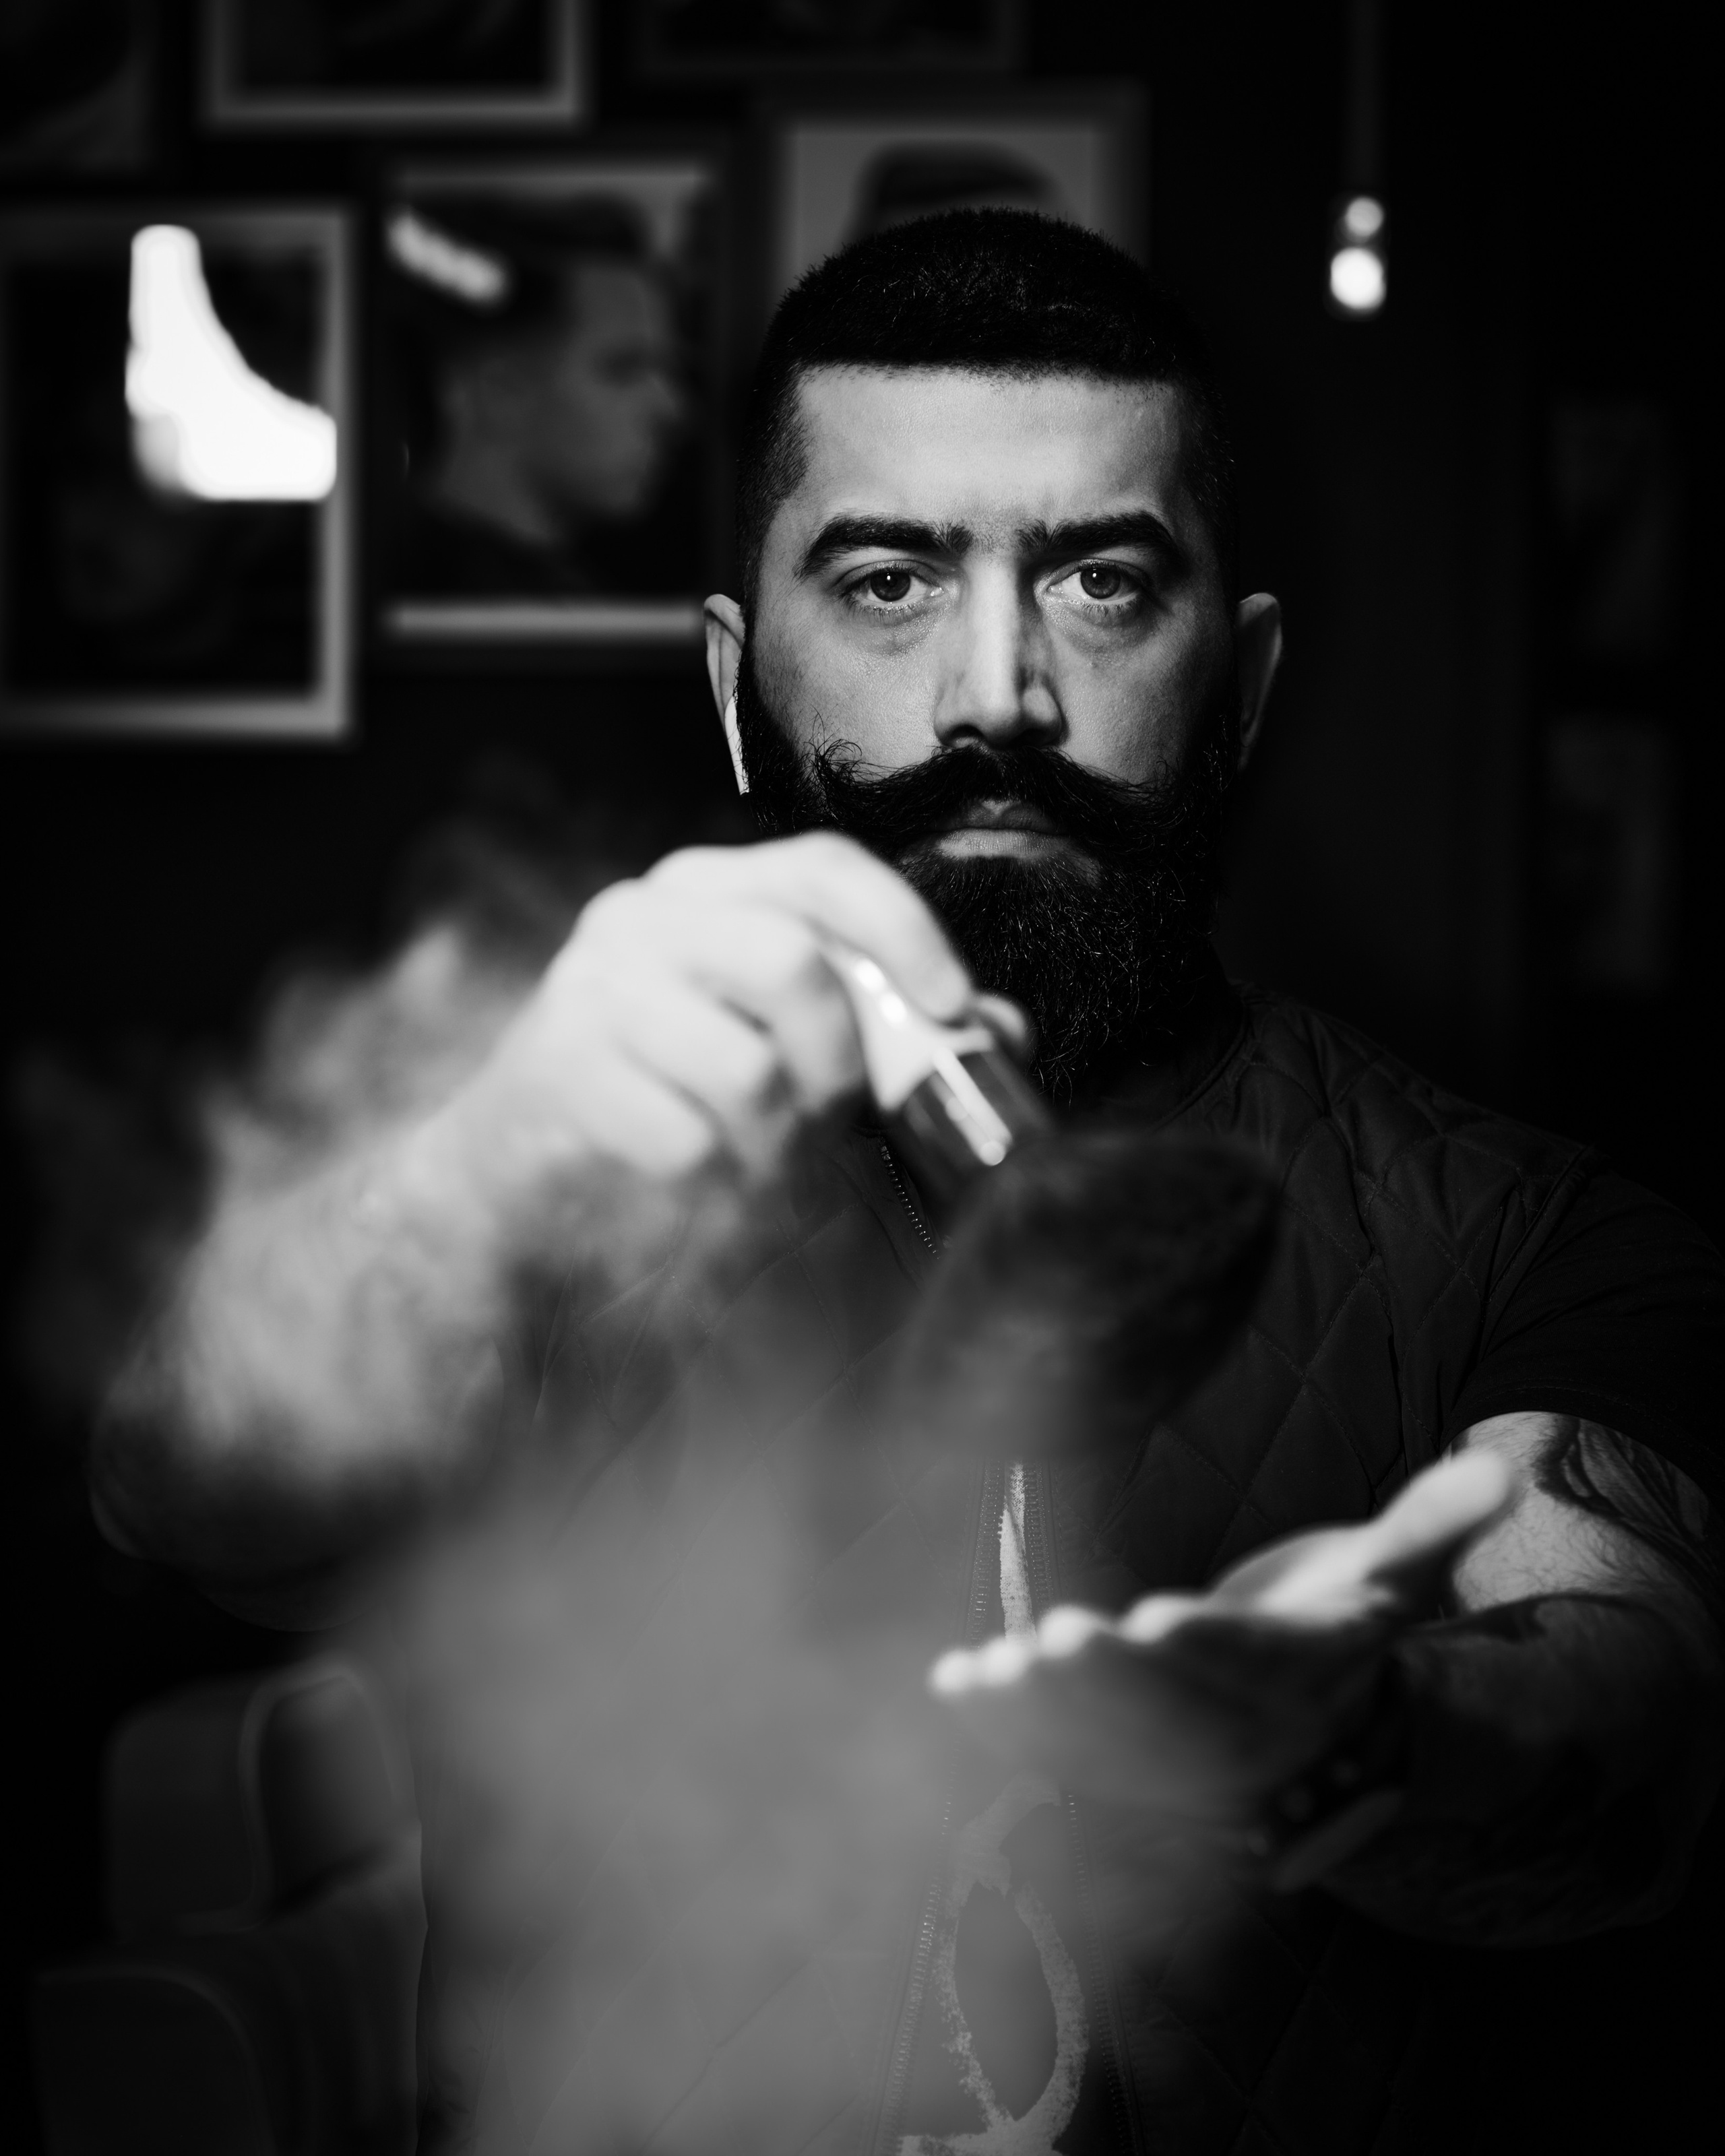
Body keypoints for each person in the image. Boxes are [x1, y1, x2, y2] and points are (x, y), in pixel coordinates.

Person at [96, 211, 1723, 2154]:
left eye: (1103, 583)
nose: (996, 694)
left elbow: (1621, 1733)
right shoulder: (562, 1188)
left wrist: (1364, 1726)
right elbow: (181, 1494)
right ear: (735, 680)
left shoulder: (1524, 1235)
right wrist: (473, 1170)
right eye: (886, 583)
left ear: (1243, 678)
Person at [384, 193, 687, 598]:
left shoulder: (560, 593)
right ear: (500, 390)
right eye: (624, 369)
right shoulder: (421, 599)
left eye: (665, 372)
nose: (672, 409)